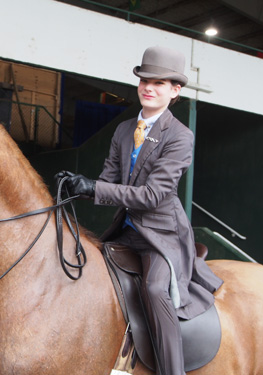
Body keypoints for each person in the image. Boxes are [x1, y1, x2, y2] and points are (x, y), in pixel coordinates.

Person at [59, 46, 223, 375]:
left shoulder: (179, 136)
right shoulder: (123, 131)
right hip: (127, 230)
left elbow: (152, 195)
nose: (149, 87)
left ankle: (171, 369)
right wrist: (78, 187)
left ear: (175, 91)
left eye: (159, 83)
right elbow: (107, 181)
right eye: (145, 80)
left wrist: (94, 188)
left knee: (154, 289)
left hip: (161, 235)